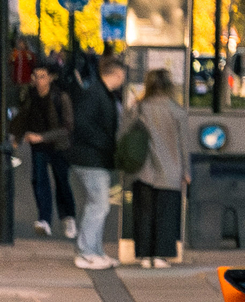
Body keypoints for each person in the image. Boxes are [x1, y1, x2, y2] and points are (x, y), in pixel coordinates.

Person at [67, 57, 127, 270]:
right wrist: (106, 144)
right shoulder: (97, 93)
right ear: (117, 74)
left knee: (98, 205)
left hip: (93, 158)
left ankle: (96, 251)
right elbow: (83, 124)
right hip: (91, 159)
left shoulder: (100, 92)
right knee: (99, 205)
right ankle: (86, 252)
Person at [127, 70, 190, 267]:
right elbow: (184, 144)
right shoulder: (177, 111)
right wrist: (186, 171)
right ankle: (161, 256)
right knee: (166, 214)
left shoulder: (139, 108)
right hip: (170, 170)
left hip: (143, 169)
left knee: (143, 213)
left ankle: (144, 255)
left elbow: (127, 133)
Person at [12, 63, 75, 236]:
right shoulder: (31, 96)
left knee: (62, 182)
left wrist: (42, 137)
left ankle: (68, 217)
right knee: (40, 181)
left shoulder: (61, 97)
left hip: (59, 147)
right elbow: (23, 118)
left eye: (42, 76)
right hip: (39, 147)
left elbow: (67, 128)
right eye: (35, 77)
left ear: (50, 78)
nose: (38, 81)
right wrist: (16, 140)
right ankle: (44, 219)